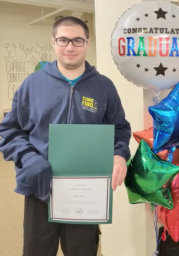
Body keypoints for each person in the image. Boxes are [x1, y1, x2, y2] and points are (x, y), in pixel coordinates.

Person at [0, 16, 131, 256]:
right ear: (53, 42)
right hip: (39, 187)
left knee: (83, 252)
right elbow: (9, 130)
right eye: (63, 40)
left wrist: (120, 154)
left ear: (87, 43)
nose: (70, 46)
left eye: (77, 40)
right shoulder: (33, 84)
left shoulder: (104, 87)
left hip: (86, 190)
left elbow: (120, 128)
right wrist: (29, 158)